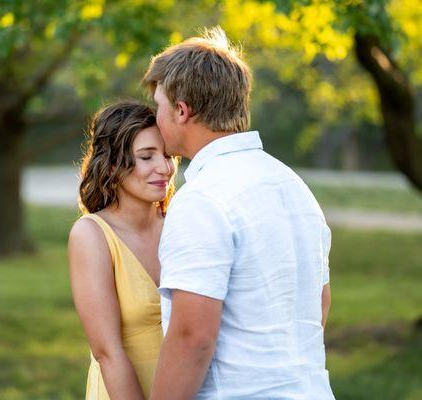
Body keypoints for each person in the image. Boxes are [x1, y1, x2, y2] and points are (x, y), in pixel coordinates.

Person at [143, 27, 335, 399]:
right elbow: (320, 301)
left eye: (160, 106)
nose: (157, 117)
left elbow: (192, 337)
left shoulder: (202, 199)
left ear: (182, 111)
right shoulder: (293, 186)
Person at [68, 101, 177, 399]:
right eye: (146, 156)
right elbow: (107, 353)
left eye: (167, 155)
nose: (164, 168)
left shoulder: (180, 224)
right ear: (113, 165)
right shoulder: (91, 235)